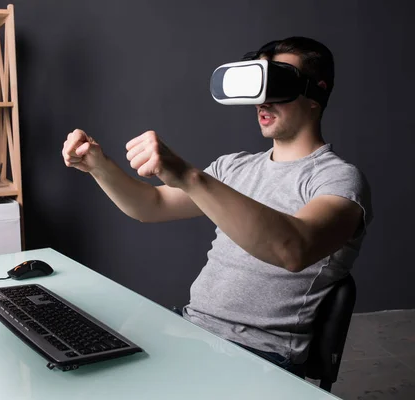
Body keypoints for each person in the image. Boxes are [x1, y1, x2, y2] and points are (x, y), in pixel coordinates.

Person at [61, 36, 373, 376]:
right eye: (258, 85)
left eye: (277, 84)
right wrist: (98, 166)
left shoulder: (339, 180)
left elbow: (293, 249)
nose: (262, 102)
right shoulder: (234, 167)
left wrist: (190, 177)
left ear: (316, 94)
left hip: (257, 357)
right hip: (189, 329)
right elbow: (151, 205)